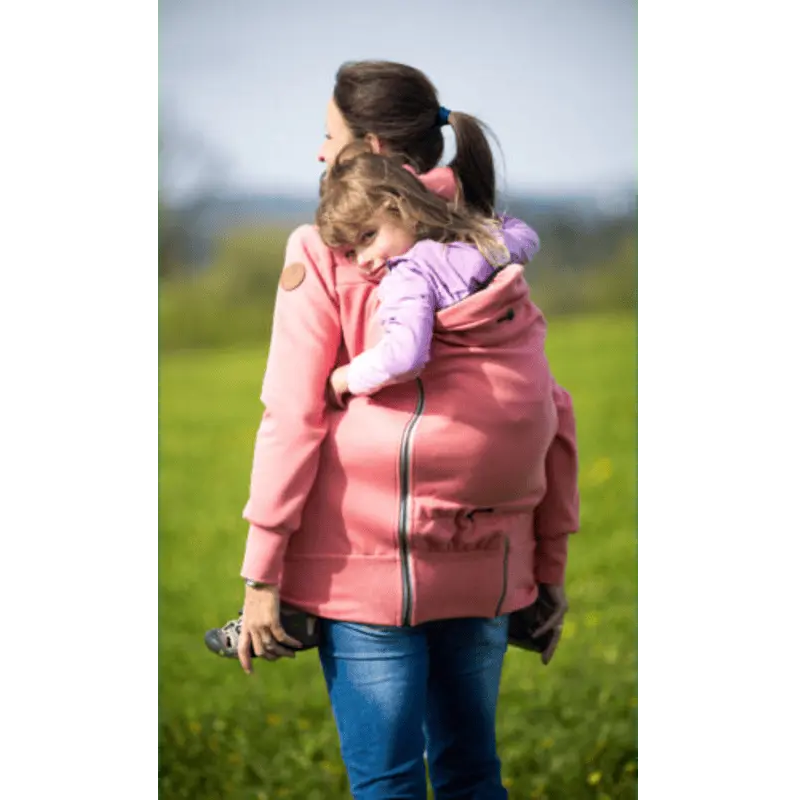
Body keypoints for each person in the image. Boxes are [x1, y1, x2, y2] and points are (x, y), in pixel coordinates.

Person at [230, 61, 579, 800]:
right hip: (487, 563)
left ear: (378, 151)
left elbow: (292, 417)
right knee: (472, 772)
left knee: (387, 782)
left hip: (367, 572)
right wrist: (546, 570)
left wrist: (262, 577)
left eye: (330, 136)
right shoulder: (488, 242)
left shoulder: (324, 243)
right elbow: (550, 409)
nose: (322, 154)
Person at [312, 141, 540, 406]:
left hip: (476, 411)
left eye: (368, 236)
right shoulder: (479, 242)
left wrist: (344, 378)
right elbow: (527, 238)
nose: (362, 260)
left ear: (403, 208)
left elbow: (404, 359)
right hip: (528, 398)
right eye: (350, 253)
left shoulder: (408, 274)